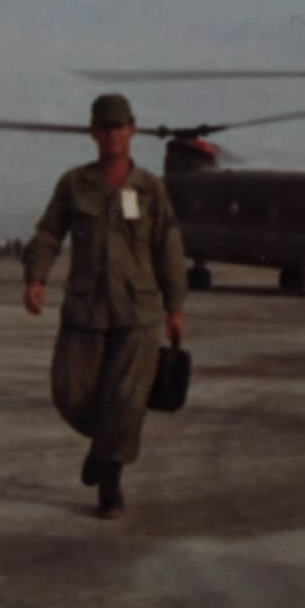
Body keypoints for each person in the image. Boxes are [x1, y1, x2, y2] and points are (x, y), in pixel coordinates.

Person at [21, 93, 187, 520]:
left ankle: (110, 483)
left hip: (138, 311)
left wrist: (176, 305)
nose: (112, 133)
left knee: (129, 398)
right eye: (104, 126)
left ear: (132, 129)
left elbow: (167, 246)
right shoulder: (75, 184)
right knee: (69, 392)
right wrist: (36, 277)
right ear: (93, 132)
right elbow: (48, 232)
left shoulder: (151, 188)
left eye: (120, 126)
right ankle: (105, 445)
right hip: (85, 308)